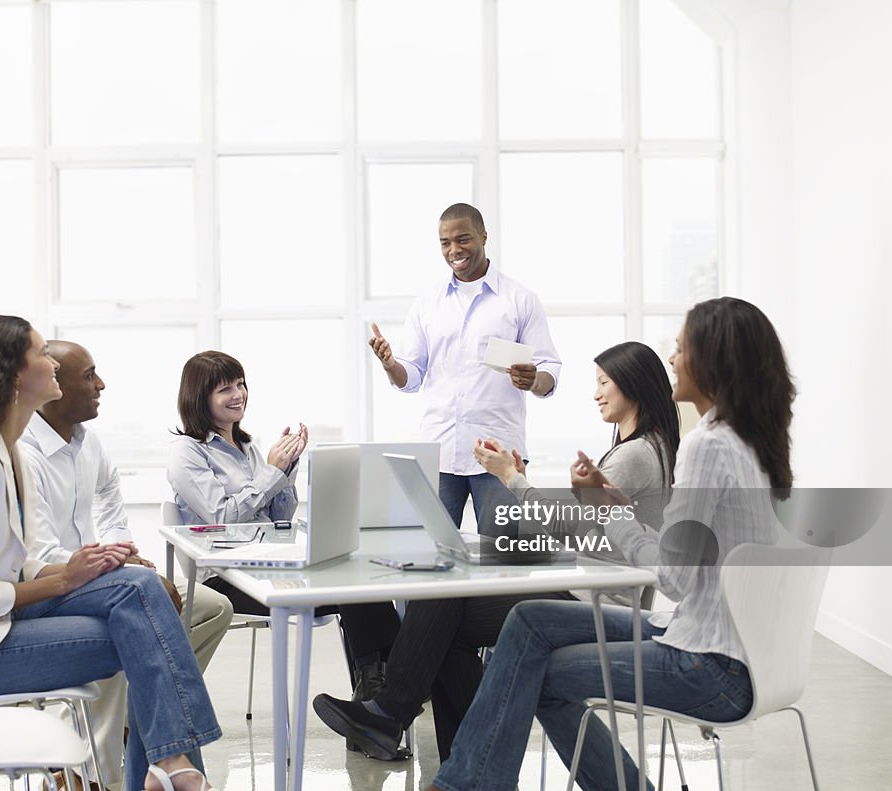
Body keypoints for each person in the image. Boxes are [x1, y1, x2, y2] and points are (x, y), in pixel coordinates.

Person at [424, 297, 796, 791]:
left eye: (682, 348)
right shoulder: (751, 443)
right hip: (724, 645)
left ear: (714, 361)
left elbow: (674, 577)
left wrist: (608, 511)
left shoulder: (708, 445)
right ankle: (470, 783)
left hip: (709, 664)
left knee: (540, 674)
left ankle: (470, 784)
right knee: (528, 621)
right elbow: (684, 558)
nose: (673, 359)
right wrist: (615, 508)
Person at [0, 316, 220, 791]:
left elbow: (15, 562)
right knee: (146, 629)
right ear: (13, 374)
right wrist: (62, 581)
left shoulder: (2, 449)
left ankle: (169, 765)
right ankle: (171, 767)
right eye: (41, 354)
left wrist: (77, 567)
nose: (52, 362)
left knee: (138, 592)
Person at [314, 342, 680, 761]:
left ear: (633, 386)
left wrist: (511, 478)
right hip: (589, 587)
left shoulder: (634, 454)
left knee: (441, 597)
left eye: (604, 383)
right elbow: (585, 528)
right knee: (446, 625)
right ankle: (458, 757)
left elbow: (571, 529)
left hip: (595, 598)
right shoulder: (644, 448)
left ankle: (400, 720)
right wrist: (520, 480)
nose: (596, 393)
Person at [20, 340, 234, 790]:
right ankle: (98, 763)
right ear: (54, 386)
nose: (101, 384)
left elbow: (110, 498)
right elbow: (36, 556)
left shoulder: (87, 443)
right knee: (142, 616)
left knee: (211, 608)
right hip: (54, 584)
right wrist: (117, 566)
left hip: (96, 575)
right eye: (89, 375)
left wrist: (121, 549)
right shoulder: (26, 454)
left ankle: (141, 726)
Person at [368, 202, 562, 536]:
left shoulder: (519, 300)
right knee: (426, 561)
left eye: (463, 239)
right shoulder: (428, 303)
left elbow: (549, 370)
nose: (454, 250)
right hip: (438, 454)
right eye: (445, 242)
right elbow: (411, 376)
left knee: (501, 563)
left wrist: (533, 380)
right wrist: (390, 365)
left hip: (499, 456)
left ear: (484, 236)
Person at [166, 350, 308, 615]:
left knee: (358, 591)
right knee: (346, 597)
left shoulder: (247, 446)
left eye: (241, 384)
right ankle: (380, 658)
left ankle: (380, 659)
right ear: (200, 399)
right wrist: (272, 473)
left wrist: (285, 470)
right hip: (225, 577)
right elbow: (222, 518)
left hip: (267, 563)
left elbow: (279, 519)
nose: (238, 394)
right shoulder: (187, 451)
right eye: (225, 389)